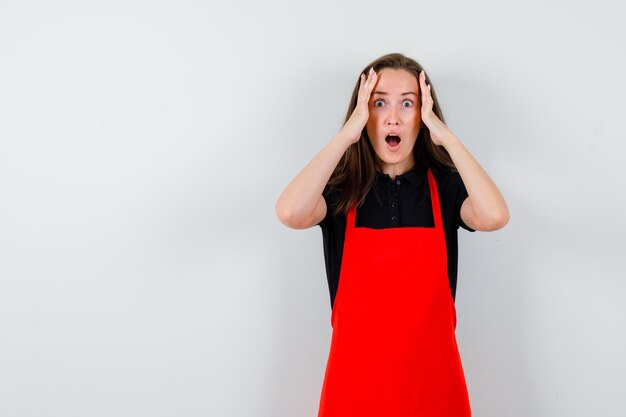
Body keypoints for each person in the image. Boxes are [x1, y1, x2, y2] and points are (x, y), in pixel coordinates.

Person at [275, 52, 509, 416]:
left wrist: (445, 136)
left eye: (408, 104)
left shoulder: (445, 190)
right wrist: (346, 135)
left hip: (434, 393)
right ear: (363, 114)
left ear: (423, 116)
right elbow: (289, 212)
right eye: (379, 103)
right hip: (353, 393)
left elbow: (494, 216)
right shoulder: (343, 191)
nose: (393, 116)